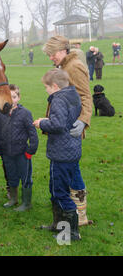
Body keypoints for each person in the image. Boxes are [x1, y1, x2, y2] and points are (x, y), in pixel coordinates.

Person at [42, 35, 93, 227]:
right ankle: (77, 215)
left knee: (73, 173)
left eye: (52, 54)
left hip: (69, 131)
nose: (51, 57)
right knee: (72, 171)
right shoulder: (63, 67)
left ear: (63, 50)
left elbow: (86, 96)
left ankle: (79, 215)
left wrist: (83, 121)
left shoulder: (75, 66)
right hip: (62, 129)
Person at [34, 68, 82, 241]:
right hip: (71, 149)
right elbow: (68, 120)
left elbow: (59, 125)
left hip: (61, 153)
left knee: (60, 192)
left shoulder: (59, 100)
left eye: (46, 87)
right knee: (56, 189)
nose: (46, 90)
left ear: (54, 86)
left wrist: (42, 123)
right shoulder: (73, 94)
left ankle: (71, 233)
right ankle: (57, 225)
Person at [0, 84, 39, 211]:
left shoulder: (25, 114)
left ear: (18, 98)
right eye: (8, 97)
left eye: (14, 97)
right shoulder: (0, 114)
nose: (11, 99)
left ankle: (26, 203)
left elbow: (33, 134)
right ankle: (13, 199)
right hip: (6, 153)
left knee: (25, 177)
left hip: (22, 153)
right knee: (11, 176)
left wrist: (31, 151)